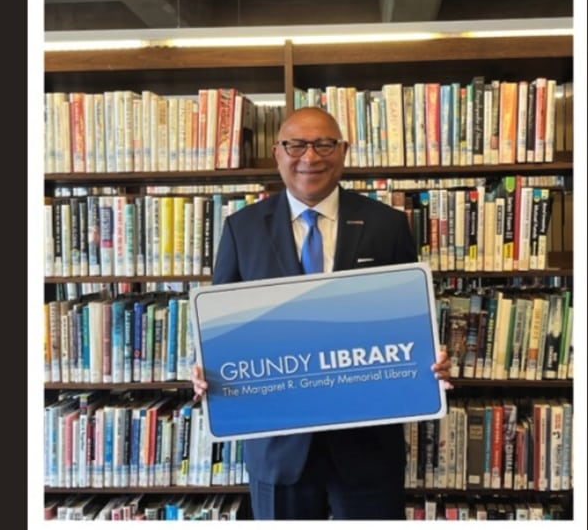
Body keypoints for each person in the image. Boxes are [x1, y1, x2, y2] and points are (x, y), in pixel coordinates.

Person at [191, 107, 452, 520]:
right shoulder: (242, 229)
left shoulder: (387, 225)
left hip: (367, 445)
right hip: (279, 447)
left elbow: (411, 322)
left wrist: (430, 360)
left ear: (343, 151)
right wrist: (207, 366)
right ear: (278, 152)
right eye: (296, 145)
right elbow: (221, 327)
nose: (309, 157)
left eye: (323, 144)